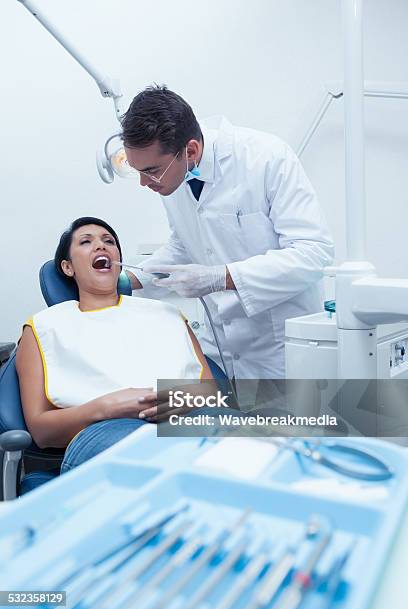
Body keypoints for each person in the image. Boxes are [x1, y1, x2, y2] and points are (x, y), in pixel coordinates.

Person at [121, 85, 334, 379]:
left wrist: (220, 278)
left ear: (191, 150)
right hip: (217, 348)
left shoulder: (266, 159)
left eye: (151, 171)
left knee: (282, 424)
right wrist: (129, 279)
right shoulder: (171, 173)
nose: (145, 183)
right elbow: (185, 243)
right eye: (138, 171)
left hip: (278, 351)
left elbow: (314, 253)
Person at [16, 217, 214, 491]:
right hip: (106, 431)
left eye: (109, 241)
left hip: (188, 421)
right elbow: (41, 430)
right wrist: (104, 407)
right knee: (178, 469)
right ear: (67, 267)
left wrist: (182, 398)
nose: (102, 246)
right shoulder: (43, 327)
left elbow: (210, 391)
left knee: (261, 444)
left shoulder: (166, 314)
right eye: (86, 242)